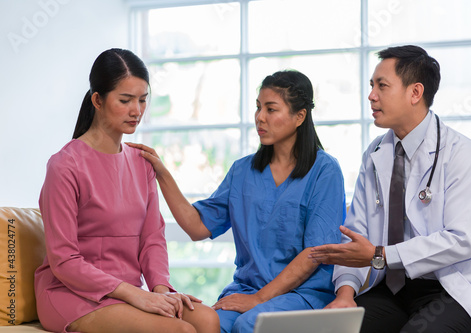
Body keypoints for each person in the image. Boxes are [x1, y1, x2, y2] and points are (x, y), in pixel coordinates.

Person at [127, 70, 346, 333]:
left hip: (303, 294)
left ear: (299, 116)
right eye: (258, 108)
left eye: (271, 109)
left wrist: (260, 299)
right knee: (206, 325)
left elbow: (315, 254)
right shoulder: (243, 171)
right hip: (247, 290)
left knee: (249, 324)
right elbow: (197, 227)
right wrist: (162, 173)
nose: (259, 117)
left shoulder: (325, 171)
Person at [308, 45, 471, 332]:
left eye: (382, 86)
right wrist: (346, 293)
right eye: (372, 86)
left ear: (415, 93)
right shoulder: (375, 155)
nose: (372, 95)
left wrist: (381, 255)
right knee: (336, 328)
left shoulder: (461, 154)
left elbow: (462, 240)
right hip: (393, 289)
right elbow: (356, 234)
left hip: (450, 290)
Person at [34, 48, 219, 333]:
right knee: (180, 331)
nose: (137, 111)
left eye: (143, 100)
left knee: (207, 319)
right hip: (72, 293)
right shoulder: (64, 166)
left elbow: (152, 238)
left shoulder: (142, 162)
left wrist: (159, 289)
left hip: (129, 291)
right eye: (125, 100)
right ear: (97, 100)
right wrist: (136, 295)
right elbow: (64, 261)